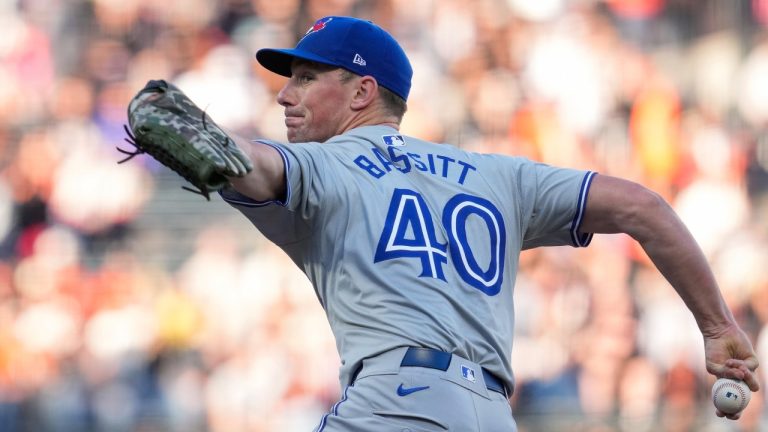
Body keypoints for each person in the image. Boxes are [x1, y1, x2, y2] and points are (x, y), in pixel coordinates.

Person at [209, 16, 758, 431]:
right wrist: (717, 327)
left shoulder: (326, 163)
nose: (284, 94)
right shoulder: (497, 173)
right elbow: (643, 207)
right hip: (492, 413)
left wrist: (190, 133)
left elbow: (252, 163)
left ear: (361, 91)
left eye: (306, 78)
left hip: (394, 402)